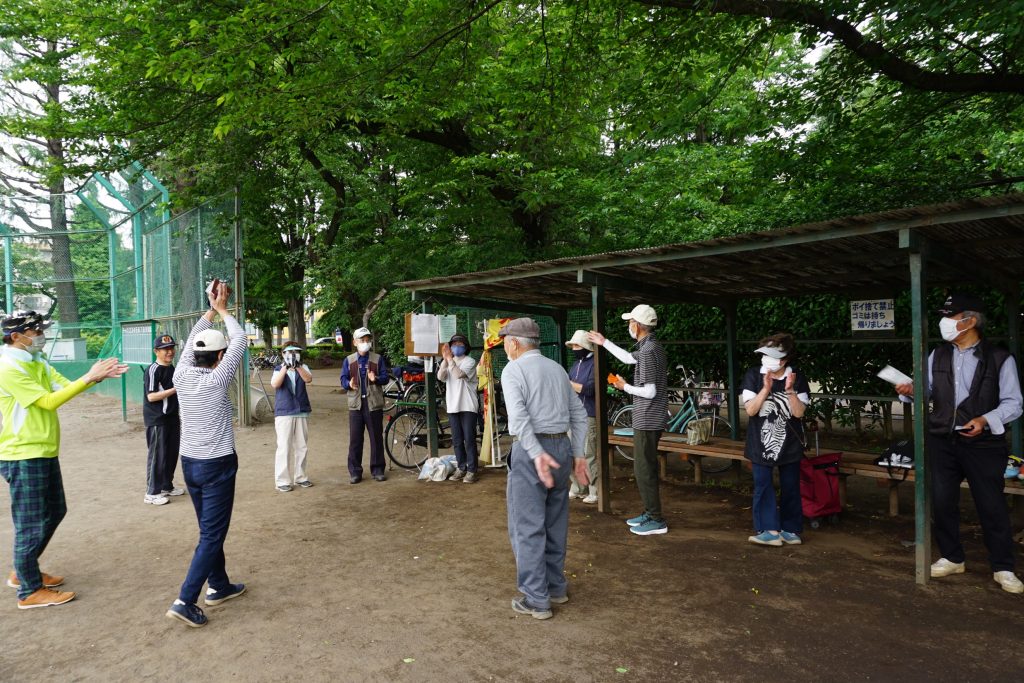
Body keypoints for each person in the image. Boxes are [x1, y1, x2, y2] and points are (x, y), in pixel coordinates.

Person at [895, 293, 1023, 593]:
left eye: (950, 317)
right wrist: (909, 391)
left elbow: (1014, 403)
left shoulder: (999, 358)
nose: (944, 322)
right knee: (942, 502)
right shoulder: (937, 355)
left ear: (970, 321)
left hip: (984, 444)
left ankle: (1003, 566)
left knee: (991, 505)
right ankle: (952, 557)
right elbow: (926, 391)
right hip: (943, 439)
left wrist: (985, 420)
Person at [0, 310, 126, 609]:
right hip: (22, 453)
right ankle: (29, 591)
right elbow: (47, 402)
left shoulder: (36, 360)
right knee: (31, 524)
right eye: (35, 331)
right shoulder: (8, 367)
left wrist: (94, 378)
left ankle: (24, 570)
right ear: (16, 336)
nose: (41, 335)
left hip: (42, 449)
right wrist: (89, 377)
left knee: (56, 511)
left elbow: (63, 387)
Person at [165, 283, 248, 627]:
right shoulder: (217, 379)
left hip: (190, 463)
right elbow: (240, 339)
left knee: (208, 529)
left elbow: (191, 341)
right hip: (217, 465)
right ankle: (185, 600)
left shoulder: (181, 374)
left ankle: (219, 585)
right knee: (212, 535)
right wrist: (224, 309)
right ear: (219, 356)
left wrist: (211, 310)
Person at [500, 318, 589, 619]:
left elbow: (519, 418)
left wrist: (536, 453)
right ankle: (555, 588)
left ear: (514, 343)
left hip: (531, 451)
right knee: (555, 522)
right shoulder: (557, 369)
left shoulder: (513, 370)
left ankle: (537, 599)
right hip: (561, 448)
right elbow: (579, 414)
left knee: (527, 526)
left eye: (505, 341)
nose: (505, 347)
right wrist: (578, 454)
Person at [588, 304, 668, 536]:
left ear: (638, 325)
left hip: (648, 419)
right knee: (644, 468)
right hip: (649, 419)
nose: (629, 326)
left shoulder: (648, 351)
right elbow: (627, 358)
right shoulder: (650, 347)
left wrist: (625, 387)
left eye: (630, 322)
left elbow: (650, 391)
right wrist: (604, 342)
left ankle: (656, 519)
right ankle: (650, 513)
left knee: (644, 470)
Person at [740, 334, 810, 547]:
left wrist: (789, 391)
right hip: (759, 443)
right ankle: (769, 530)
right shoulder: (753, 375)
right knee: (763, 485)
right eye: (764, 354)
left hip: (790, 444)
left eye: (771, 355)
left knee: (791, 486)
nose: (766, 359)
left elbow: (799, 413)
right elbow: (751, 410)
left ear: (784, 359)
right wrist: (765, 389)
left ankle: (790, 529)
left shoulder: (797, 378)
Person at [340, 327, 390, 484]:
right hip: (356, 405)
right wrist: (349, 384)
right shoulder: (349, 360)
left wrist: (376, 378)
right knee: (355, 440)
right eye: (362, 340)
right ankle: (355, 472)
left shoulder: (377, 359)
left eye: (368, 340)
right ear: (355, 342)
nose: (365, 343)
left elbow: (386, 378)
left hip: (373, 404)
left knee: (376, 438)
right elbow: (343, 379)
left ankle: (378, 469)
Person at [142, 334, 184, 506]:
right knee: (157, 456)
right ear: (156, 351)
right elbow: (151, 397)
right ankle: (151, 492)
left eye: (171, 348)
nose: (170, 352)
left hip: (172, 417)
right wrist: (175, 389)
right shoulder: (153, 370)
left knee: (171, 454)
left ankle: (166, 486)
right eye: (165, 349)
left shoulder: (172, 368)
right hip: (157, 419)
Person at [270, 341, 313, 492]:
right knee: (284, 446)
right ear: (283, 354)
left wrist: (298, 366)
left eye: (296, 352)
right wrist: (285, 367)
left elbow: (308, 379)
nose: (293, 355)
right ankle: (282, 480)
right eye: (289, 352)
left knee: (302, 446)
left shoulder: (304, 367)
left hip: (301, 410)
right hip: (284, 412)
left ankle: (301, 477)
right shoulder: (278, 369)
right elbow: (275, 384)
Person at [438, 333, 480, 483]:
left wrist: (450, 360)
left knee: (469, 439)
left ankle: (472, 470)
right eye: (454, 345)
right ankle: (461, 467)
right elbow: (440, 377)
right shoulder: (449, 361)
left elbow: (458, 375)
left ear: (466, 346)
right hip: (452, 406)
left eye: (460, 344)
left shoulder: (470, 361)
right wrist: (445, 359)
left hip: (468, 405)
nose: (456, 347)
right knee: (457, 440)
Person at [565, 330, 598, 504]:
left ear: (586, 346)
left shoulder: (595, 364)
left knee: (589, 454)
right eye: (572, 346)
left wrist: (568, 384)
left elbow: (590, 390)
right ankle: (578, 487)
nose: (574, 349)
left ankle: (595, 490)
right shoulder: (575, 365)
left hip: (589, 415)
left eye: (577, 345)